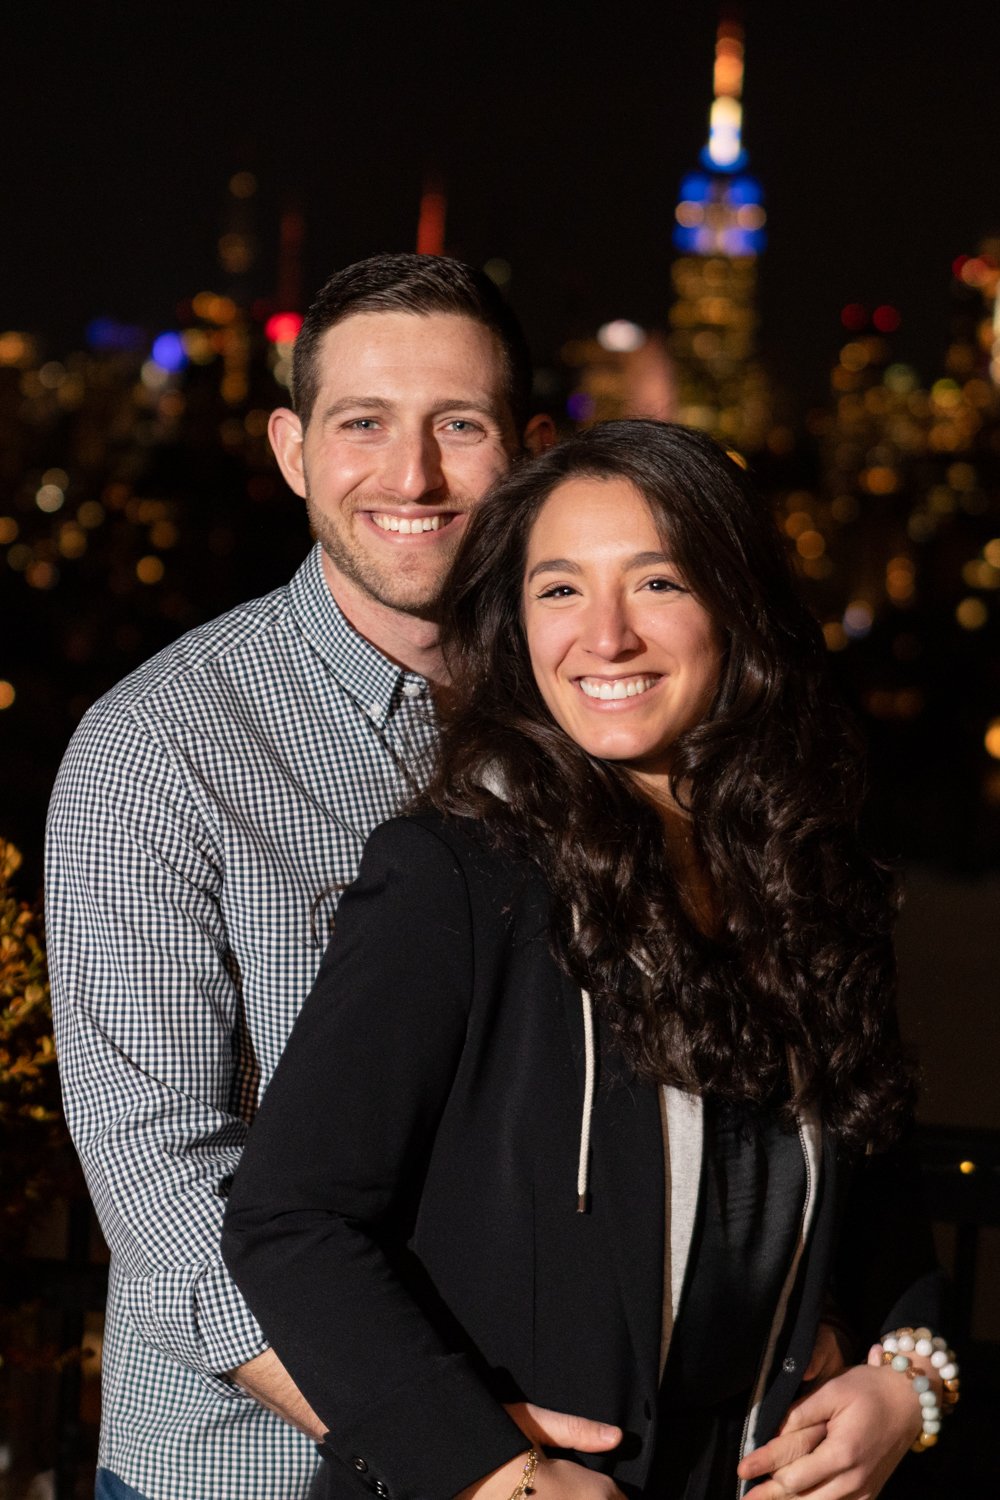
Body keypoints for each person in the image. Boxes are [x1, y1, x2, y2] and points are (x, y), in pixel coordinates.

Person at [222, 420, 950, 1500]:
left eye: (656, 583)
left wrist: (906, 1383)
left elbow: (879, 1198)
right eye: (559, 590)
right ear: (516, 628)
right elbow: (289, 1218)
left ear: (736, 610)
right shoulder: (458, 877)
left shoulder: (808, 881)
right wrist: (486, 1469)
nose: (603, 637)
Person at [46, 253, 626, 1500]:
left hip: (572, 1449)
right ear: (293, 450)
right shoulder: (159, 749)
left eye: (456, 427)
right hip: (252, 1472)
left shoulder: (597, 709)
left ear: (528, 449)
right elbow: (168, 1202)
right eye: (363, 424)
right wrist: (460, 1445)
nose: (411, 477)